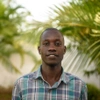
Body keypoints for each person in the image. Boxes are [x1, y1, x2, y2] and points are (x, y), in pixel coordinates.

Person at [12, 28, 87, 100]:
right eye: (46, 43)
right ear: (39, 50)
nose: (52, 48)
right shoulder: (21, 84)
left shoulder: (79, 86)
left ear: (64, 50)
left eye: (57, 44)